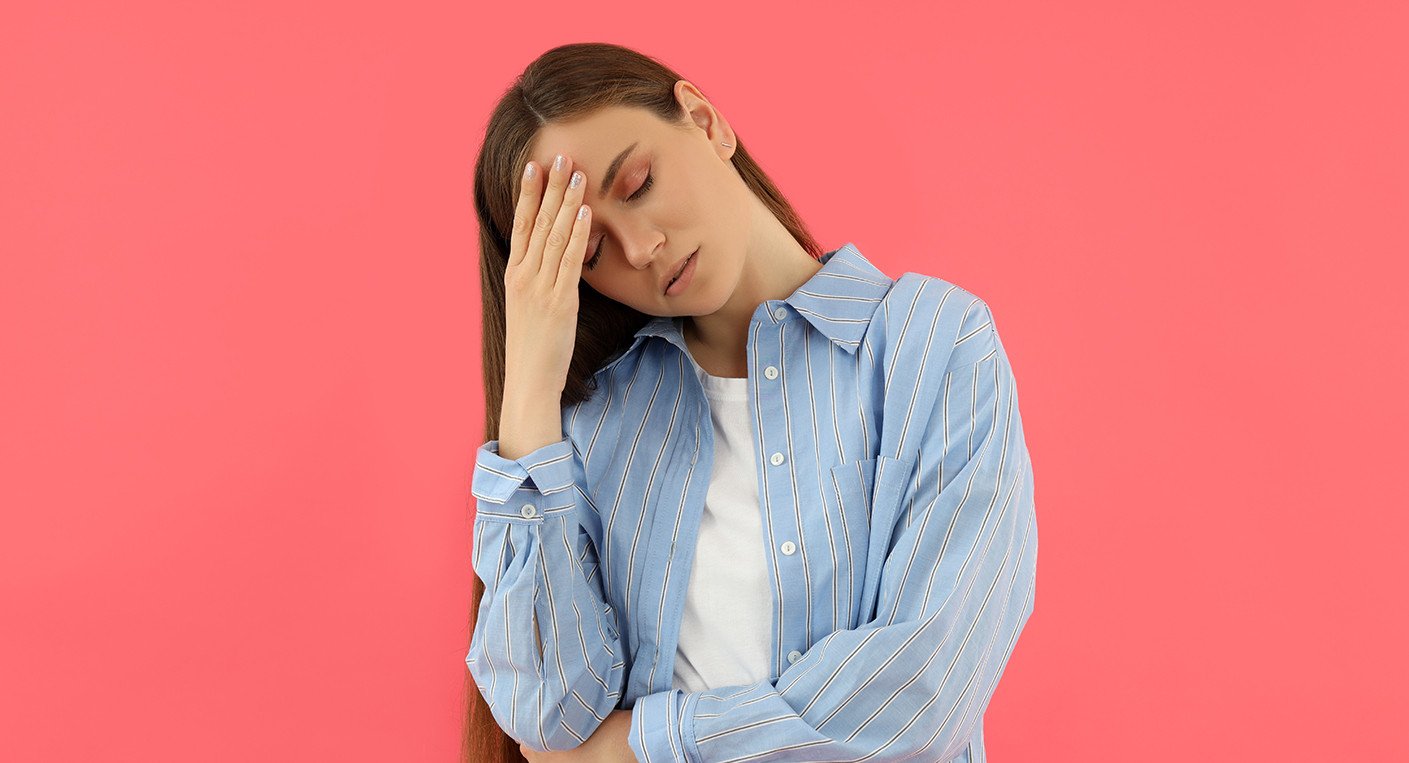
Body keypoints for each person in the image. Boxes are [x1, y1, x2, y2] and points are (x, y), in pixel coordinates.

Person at [463, 42, 1038, 763]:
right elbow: (547, 718)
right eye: (588, 255)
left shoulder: (934, 346)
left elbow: (917, 695)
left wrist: (636, 747)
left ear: (704, 122)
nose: (639, 248)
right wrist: (527, 396)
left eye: (638, 182)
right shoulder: (590, 425)